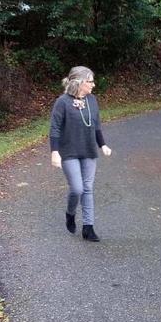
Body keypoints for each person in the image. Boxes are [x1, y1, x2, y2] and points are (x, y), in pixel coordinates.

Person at [49, 66, 112, 242]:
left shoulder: (92, 100)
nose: (93, 84)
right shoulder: (62, 102)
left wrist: (103, 145)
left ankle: (88, 227)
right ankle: (70, 213)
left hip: (89, 150)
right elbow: (54, 128)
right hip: (68, 151)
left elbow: (97, 126)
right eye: (90, 81)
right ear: (79, 83)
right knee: (77, 188)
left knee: (88, 188)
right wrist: (54, 152)